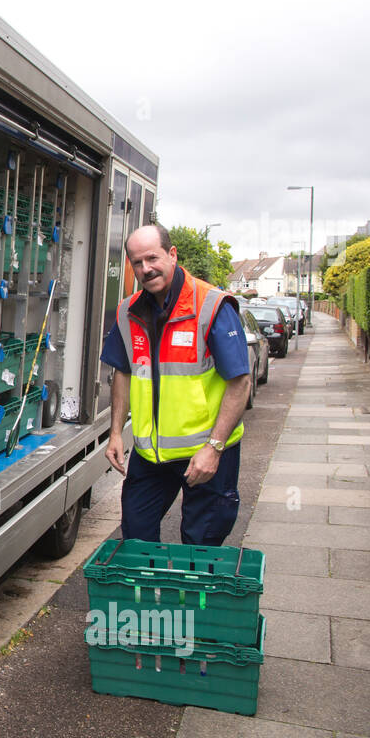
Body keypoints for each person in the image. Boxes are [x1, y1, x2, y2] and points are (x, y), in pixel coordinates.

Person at [102, 224, 251, 546]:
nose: (146, 269)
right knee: (136, 539)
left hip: (206, 450)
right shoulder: (128, 312)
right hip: (151, 454)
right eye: (137, 263)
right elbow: (123, 373)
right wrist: (115, 433)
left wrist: (214, 448)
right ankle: (144, 597)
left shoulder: (212, 306)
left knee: (201, 544)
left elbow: (240, 382)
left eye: (152, 258)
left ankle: (191, 596)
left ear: (172, 255)